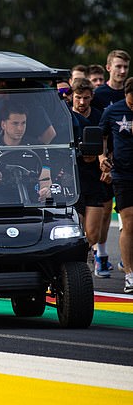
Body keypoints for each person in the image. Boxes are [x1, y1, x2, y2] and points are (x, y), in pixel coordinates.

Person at [71, 78, 113, 277]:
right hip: (73, 180)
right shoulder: (66, 117)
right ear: (72, 96)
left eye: (86, 98)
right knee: (74, 230)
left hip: (95, 179)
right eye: (78, 97)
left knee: (93, 234)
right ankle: (74, 268)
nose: (81, 102)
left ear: (92, 97)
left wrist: (106, 164)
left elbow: (109, 145)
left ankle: (85, 256)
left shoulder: (100, 116)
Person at [0, 102, 52, 205]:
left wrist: (45, 190)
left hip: (30, 195)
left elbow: (45, 179)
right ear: (3, 124)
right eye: (15, 123)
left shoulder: (38, 146)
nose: (20, 128)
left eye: (23, 123)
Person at [99, 77, 133, 294]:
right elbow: (101, 135)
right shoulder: (114, 110)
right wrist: (102, 156)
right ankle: (129, 274)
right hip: (122, 174)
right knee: (129, 224)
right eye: (131, 102)